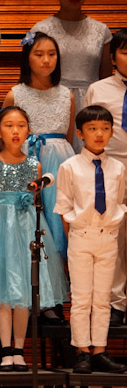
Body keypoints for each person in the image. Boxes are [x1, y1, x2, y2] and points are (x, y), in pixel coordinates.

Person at [0, 106, 68, 372]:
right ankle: (5, 350)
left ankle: (19, 349)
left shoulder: (34, 165)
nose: (15, 131)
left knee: (23, 289)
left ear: (28, 131)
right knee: (3, 291)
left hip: (26, 229)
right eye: (8, 125)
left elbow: (35, 200)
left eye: (21, 125)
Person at [54, 105, 127, 374]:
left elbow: (119, 201)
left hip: (108, 237)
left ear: (112, 132)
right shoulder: (69, 167)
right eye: (93, 128)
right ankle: (82, 351)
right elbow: (64, 207)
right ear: (80, 133)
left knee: (103, 299)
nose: (99, 134)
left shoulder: (118, 167)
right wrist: (72, 240)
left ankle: (100, 350)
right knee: (82, 298)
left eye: (105, 128)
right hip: (81, 236)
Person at [3, 31, 75, 260]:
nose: (46, 60)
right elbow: (4, 136)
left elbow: (69, 135)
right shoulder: (15, 94)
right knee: (28, 211)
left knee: (59, 211)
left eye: (52, 54)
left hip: (60, 159)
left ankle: (60, 266)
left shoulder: (67, 95)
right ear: (27, 57)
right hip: (25, 156)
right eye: (39, 54)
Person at [32, 0, 113, 151]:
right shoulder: (41, 29)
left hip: (91, 102)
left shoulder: (101, 30)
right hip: (52, 101)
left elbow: (105, 77)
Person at [85, 30, 127, 326]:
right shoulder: (98, 89)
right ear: (112, 57)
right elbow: (88, 133)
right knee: (114, 237)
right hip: (110, 169)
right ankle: (116, 303)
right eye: (124, 52)